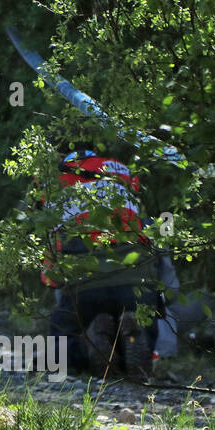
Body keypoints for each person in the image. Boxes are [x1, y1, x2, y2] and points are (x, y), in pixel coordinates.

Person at [43, 144, 166, 380]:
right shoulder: (123, 176)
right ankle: (133, 338)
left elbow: (51, 272)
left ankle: (90, 344)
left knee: (63, 334)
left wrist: (57, 284)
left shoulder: (57, 193)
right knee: (144, 318)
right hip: (135, 279)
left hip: (85, 284)